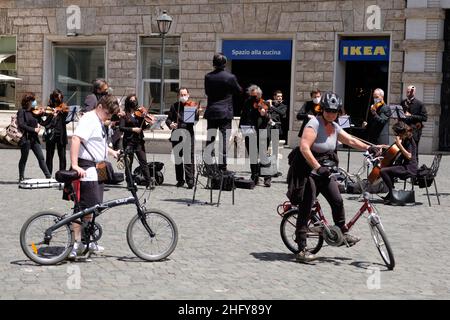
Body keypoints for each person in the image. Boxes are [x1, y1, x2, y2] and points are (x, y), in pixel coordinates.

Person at [293, 92, 381, 262]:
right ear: (323, 110)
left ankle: (343, 233)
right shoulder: (314, 124)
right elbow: (304, 148)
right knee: (306, 207)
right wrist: (318, 168)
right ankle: (301, 249)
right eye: (328, 111)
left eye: (334, 111)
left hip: (325, 171)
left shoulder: (334, 126)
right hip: (309, 171)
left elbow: (350, 140)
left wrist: (368, 148)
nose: (331, 114)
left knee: (337, 200)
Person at [69, 94, 121, 259]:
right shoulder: (89, 119)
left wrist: (113, 152)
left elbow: (98, 144)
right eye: (108, 114)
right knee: (83, 207)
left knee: (95, 206)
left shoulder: (98, 120)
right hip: (88, 167)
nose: (109, 117)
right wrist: (75, 165)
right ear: (99, 107)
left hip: (99, 166)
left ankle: (87, 240)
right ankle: (75, 243)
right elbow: (76, 139)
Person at [204, 52, 242, 171]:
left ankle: (208, 163)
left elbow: (207, 92)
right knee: (224, 140)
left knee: (210, 138)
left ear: (214, 63)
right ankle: (222, 166)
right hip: (225, 112)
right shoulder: (230, 77)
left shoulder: (208, 76)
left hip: (212, 111)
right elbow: (239, 90)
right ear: (225, 63)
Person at [166, 88, 199, 189]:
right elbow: (168, 119)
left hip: (188, 134)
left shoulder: (191, 106)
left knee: (189, 157)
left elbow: (194, 121)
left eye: (185, 94)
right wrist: (171, 124)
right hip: (176, 135)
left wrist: (196, 113)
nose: (183, 96)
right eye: (181, 94)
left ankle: (190, 180)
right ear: (178, 96)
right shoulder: (174, 106)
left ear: (188, 95)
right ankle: (180, 180)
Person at [239, 85, 272, 187]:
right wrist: (241, 128)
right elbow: (243, 115)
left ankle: (267, 178)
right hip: (250, 131)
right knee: (253, 156)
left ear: (259, 95)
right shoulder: (247, 102)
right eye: (251, 96)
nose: (253, 98)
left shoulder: (264, 103)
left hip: (262, 131)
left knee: (263, 155)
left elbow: (269, 118)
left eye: (255, 96)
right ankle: (255, 176)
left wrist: (264, 114)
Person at [119, 94, 153, 188]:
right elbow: (121, 128)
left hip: (139, 141)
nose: (134, 102)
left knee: (143, 161)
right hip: (128, 141)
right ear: (128, 102)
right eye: (131, 100)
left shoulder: (140, 113)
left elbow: (142, 127)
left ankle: (148, 182)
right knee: (129, 163)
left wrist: (149, 125)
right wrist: (133, 129)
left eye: (135, 100)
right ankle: (129, 182)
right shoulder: (124, 114)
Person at [380, 122, 418, 204]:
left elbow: (409, 156)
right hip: (405, 166)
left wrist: (399, 144)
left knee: (383, 171)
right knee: (388, 169)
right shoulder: (405, 138)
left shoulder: (409, 140)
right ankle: (390, 193)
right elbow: (395, 147)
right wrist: (382, 146)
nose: (396, 135)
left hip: (409, 168)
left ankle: (392, 194)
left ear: (401, 132)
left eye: (397, 133)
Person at [17, 92, 52, 182]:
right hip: (25, 139)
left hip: (34, 139)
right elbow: (21, 125)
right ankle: (21, 176)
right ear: (28, 101)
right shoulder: (22, 112)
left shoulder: (35, 112)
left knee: (41, 157)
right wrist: (34, 129)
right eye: (33, 100)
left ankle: (48, 177)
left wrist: (51, 116)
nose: (35, 102)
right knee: (24, 158)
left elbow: (43, 123)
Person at [44, 89, 68, 175]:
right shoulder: (49, 108)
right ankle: (48, 175)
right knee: (49, 156)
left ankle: (62, 174)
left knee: (62, 156)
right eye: (58, 97)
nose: (60, 99)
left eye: (61, 97)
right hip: (51, 134)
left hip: (61, 134)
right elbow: (44, 123)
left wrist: (63, 113)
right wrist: (51, 115)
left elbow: (66, 119)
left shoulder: (64, 107)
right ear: (54, 97)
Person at [400, 85, 427, 158]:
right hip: (404, 130)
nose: (409, 92)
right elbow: (401, 116)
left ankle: (414, 167)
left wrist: (411, 116)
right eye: (407, 91)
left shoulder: (419, 104)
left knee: (414, 151)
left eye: (411, 91)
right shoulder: (403, 102)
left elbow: (424, 118)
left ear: (414, 92)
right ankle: (404, 167)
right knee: (403, 150)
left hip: (414, 131)